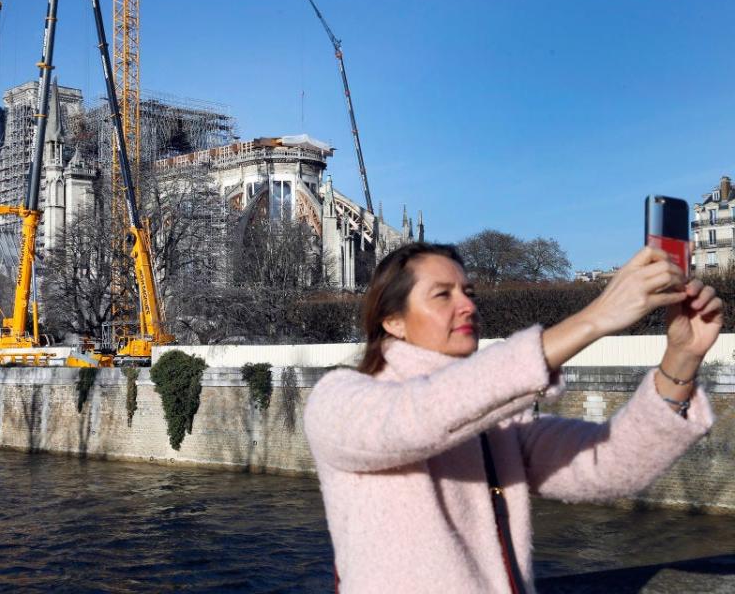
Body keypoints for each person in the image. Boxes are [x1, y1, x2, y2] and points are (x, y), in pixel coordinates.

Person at [304, 242, 721, 594]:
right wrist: (595, 318)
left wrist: (681, 358)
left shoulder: (498, 426)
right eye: (443, 295)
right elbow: (420, 417)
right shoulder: (340, 400)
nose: (468, 305)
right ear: (392, 321)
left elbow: (608, 465)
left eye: (469, 291)